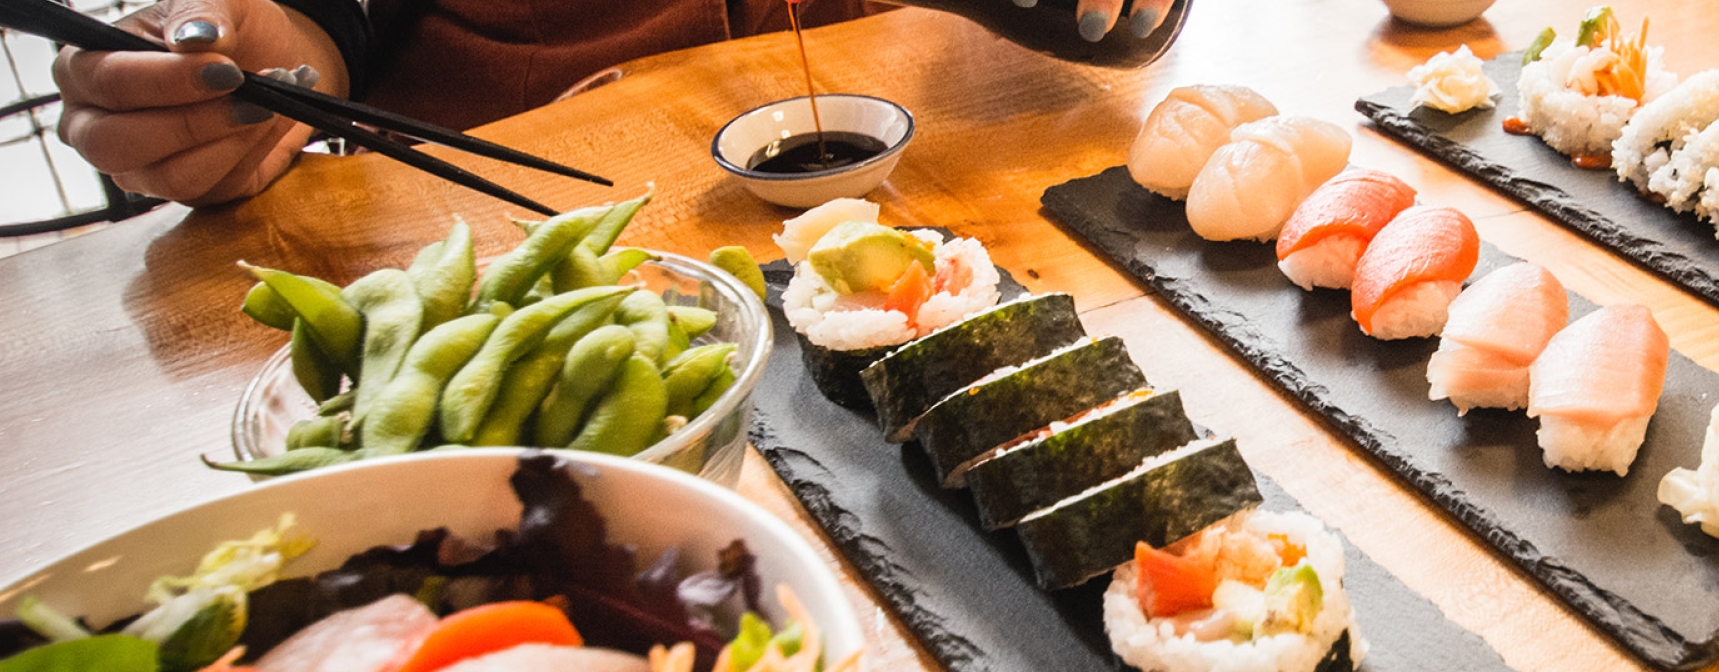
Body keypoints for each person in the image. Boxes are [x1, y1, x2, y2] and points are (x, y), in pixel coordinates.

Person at [54, 0, 1172, 206]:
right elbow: (306, 36)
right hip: (554, 277)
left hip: (932, 220)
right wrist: (252, 83)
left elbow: (1118, 35)